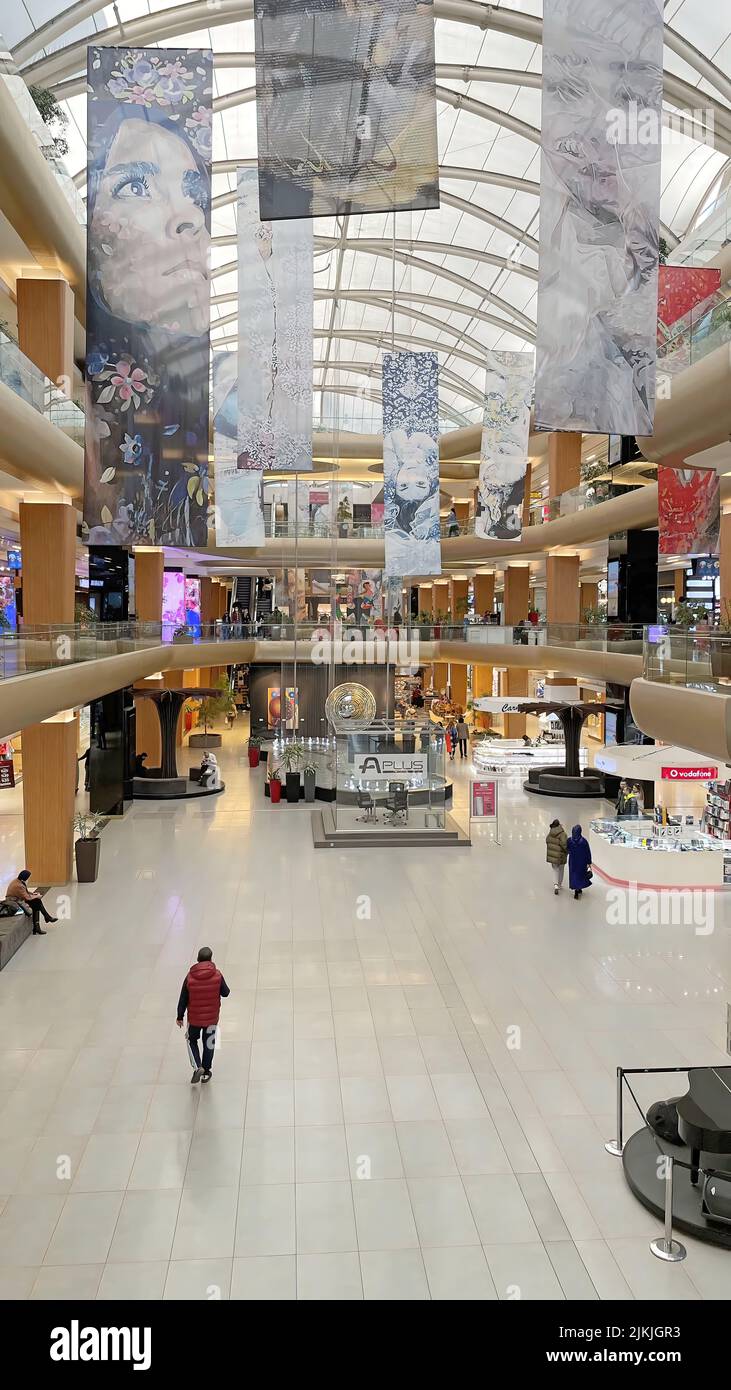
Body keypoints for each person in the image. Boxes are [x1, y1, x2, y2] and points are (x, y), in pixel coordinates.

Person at [176, 946, 231, 1083]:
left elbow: (183, 998)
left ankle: (197, 1066)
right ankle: (206, 1071)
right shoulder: (217, 975)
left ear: (197, 960)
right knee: (210, 1043)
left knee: (191, 1040)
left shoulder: (189, 977)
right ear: (211, 959)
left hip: (194, 1019)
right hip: (212, 1018)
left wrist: (179, 1016)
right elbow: (226, 992)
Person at [6, 869, 57, 935]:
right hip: (14, 903)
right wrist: (37, 896)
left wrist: (34, 894)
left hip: (17, 900)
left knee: (36, 902)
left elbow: (25, 892)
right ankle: (43, 922)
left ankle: (43, 922)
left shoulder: (18, 881)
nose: (29, 879)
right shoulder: (19, 885)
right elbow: (27, 897)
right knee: (37, 902)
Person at [567, 825, 592, 900]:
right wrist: (589, 862)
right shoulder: (583, 841)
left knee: (573, 875)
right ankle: (579, 888)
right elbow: (588, 852)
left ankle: (576, 890)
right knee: (580, 875)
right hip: (582, 861)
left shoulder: (569, 840)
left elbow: (567, 849)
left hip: (573, 861)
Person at [545, 819, 568, 895]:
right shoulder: (563, 834)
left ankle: (555, 885)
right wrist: (567, 852)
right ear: (559, 825)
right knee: (561, 869)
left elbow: (547, 841)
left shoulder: (550, 832)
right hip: (561, 856)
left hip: (553, 856)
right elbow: (564, 845)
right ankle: (560, 884)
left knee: (555, 870)